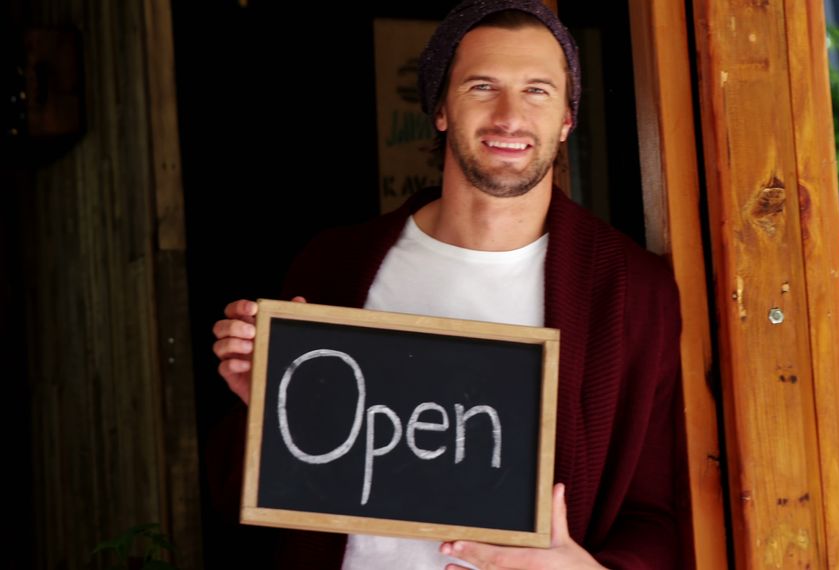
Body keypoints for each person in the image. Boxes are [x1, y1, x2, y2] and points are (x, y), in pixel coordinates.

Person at [210, 0, 685, 568]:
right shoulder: (335, 263)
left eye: (537, 90)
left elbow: (660, 514)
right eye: (482, 87)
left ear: (566, 118)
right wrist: (267, 412)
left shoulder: (631, 292)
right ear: (440, 109)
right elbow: (243, 499)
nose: (510, 115)